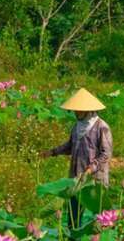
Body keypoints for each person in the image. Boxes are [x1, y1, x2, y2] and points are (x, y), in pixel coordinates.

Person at [40, 88, 112, 230]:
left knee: (99, 218)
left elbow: (106, 154)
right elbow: (70, 146)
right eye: (75, 110)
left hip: (94, 180)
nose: (75, 113)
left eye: (78, 110)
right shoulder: (77, 126)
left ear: (88, 111)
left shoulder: (102, 127)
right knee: (73, 217)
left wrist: (91, 168)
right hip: (76, 178)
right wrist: (52, 152)